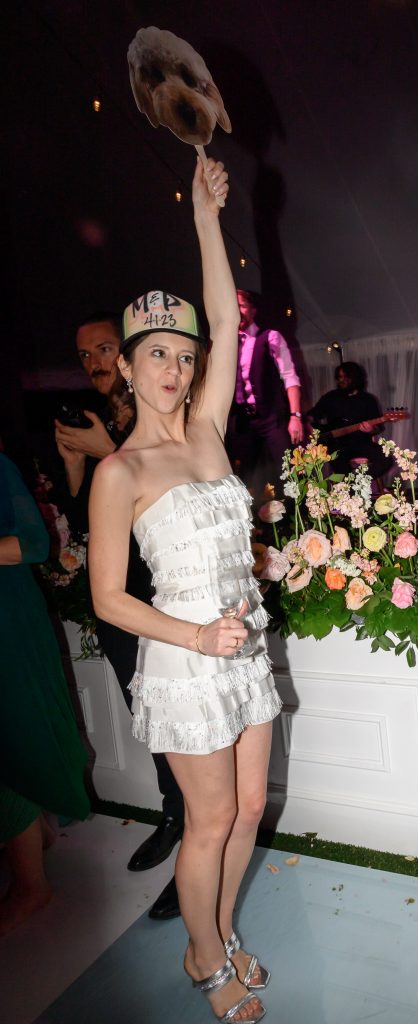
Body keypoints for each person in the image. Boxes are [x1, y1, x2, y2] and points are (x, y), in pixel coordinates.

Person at [89, 157, 279, 1023]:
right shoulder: (120, 472)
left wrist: (206, 221)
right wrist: (198, 638)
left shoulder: (207, 429)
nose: (173, 366)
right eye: (155, 354)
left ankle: (223, 929)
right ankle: (203, 955)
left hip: (245, 646)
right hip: (186, 657)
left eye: (184, 354)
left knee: (249, 809)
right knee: (208, 821)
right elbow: (107, 600)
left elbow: (229, 315)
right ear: (127, 368)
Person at [54, 313, 184, 921]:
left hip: (163, 596)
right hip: (115, 598)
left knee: (182, 721)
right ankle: (175, 815)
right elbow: (86, 511)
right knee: (151, 719)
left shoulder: (156, 409)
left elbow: (169, 493)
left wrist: (106, 451)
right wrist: (75, 463)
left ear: (128, 354)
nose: (94, 364)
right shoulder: (96, 419)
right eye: (84, 356)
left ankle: (197, 847)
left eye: (104, 349)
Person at [0, 450, 89, 935]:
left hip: (9, 627)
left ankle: (31, 886)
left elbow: (34, 544)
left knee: (15, 739)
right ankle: (31, 839)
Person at [227, 288, 304, 487]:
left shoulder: (270, 337)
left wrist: (295, 416)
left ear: (253, 310)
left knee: (287, 473)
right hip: (243, 421)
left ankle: (294, 506)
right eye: (233, 307)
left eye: (242, 305)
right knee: (242, 477)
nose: (237, 311)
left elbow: (290, 377)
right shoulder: (227, 344)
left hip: (271, 418)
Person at [309, 361, 391, 482]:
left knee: (386, 459)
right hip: (336, 445)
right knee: (339, 465)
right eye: (339, 377)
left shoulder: (368, 400)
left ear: (355, 378)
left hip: (362, 443)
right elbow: (312, 415)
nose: (342, 380)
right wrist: (309, 427)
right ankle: (348, 488)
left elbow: (378, 427)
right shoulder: (330, 397)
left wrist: (370, 430)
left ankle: (360, 482)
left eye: (346, 377)